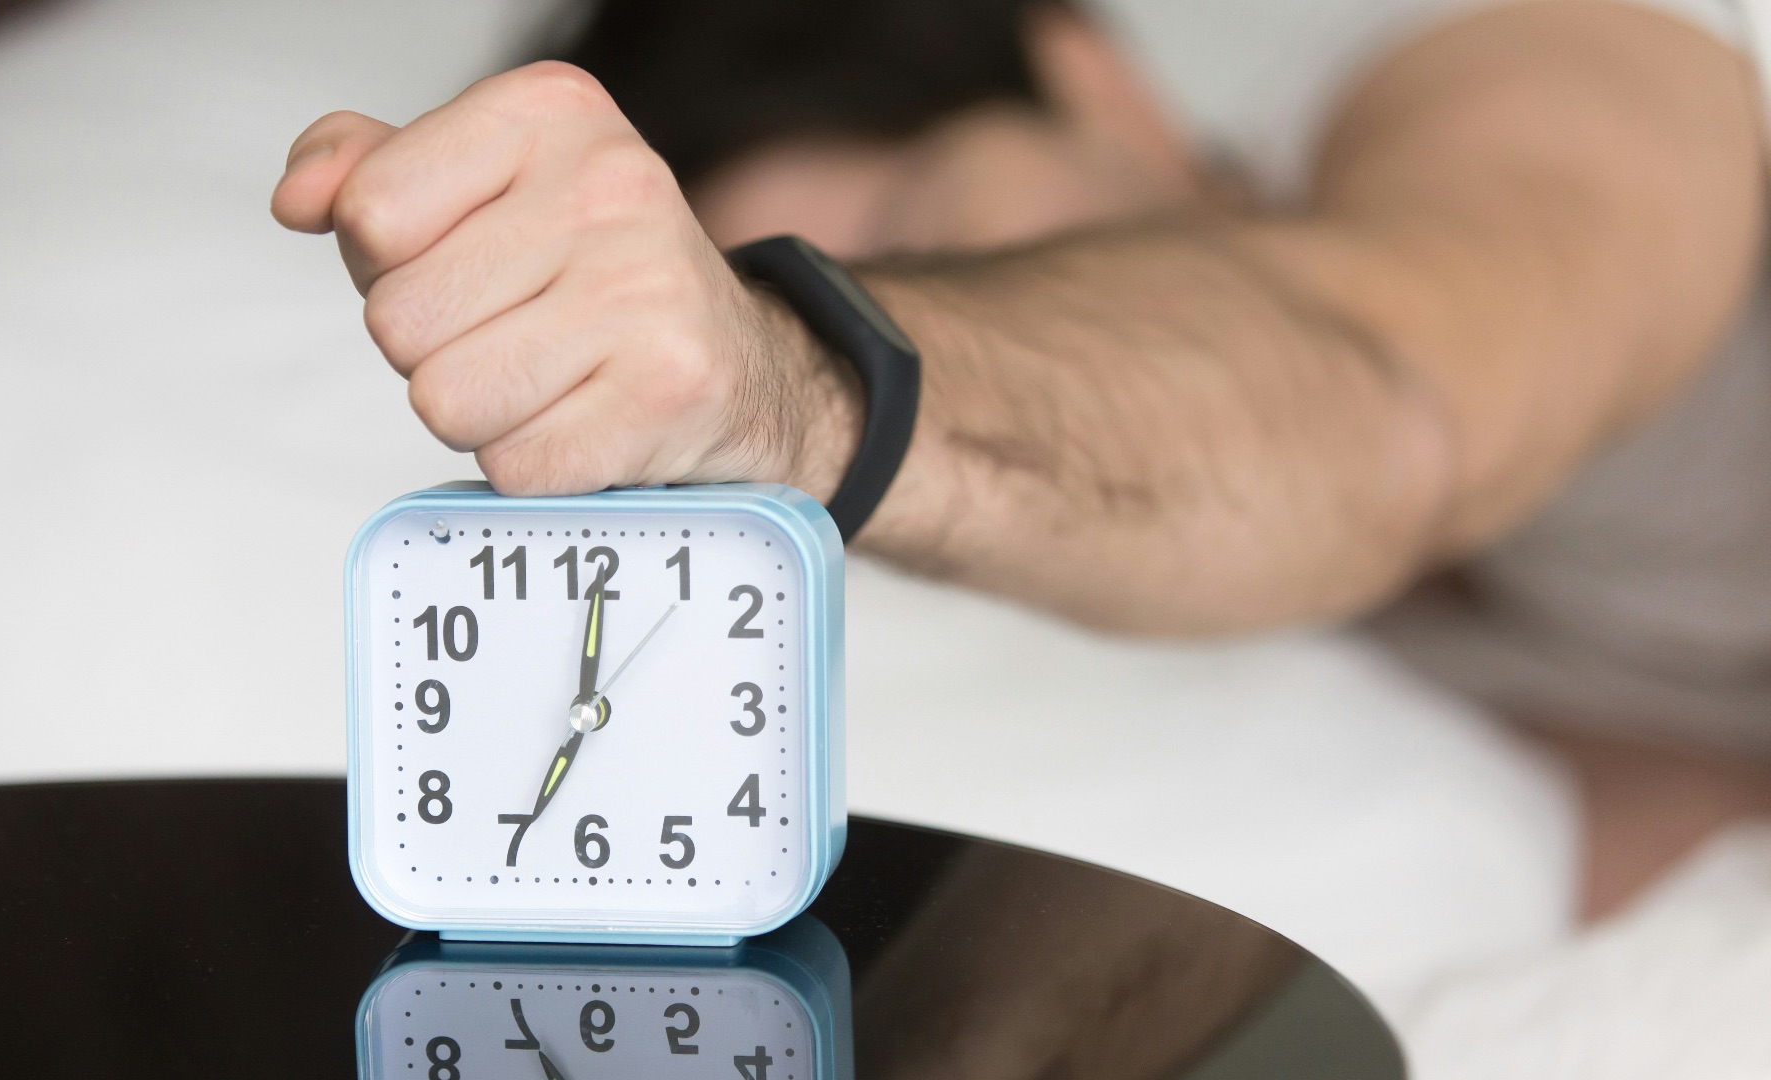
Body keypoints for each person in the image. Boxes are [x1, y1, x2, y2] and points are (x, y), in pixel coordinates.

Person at [270, 0, 1767, 917]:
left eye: (921, 248)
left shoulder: (1548, 70)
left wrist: (802, 380)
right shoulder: (1298, 648)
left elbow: (1390, 396)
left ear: (1094, 81)